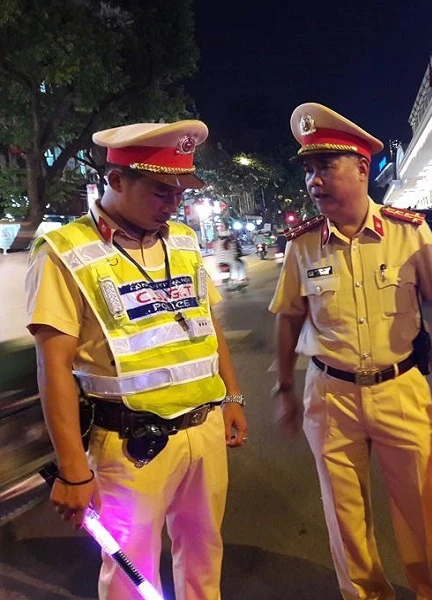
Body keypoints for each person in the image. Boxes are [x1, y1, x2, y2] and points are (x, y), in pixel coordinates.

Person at [25, 120, 248, 599]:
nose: (173, 204)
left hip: (204, 430)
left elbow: (208, 327)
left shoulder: (183, 239)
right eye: (162, 191)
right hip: (128, 445)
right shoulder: (64, 252)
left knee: (205, 555)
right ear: (116, 179)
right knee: (131, 575)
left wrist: (232, 397)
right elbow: (53, 366)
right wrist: (72, 469)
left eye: (180, 193)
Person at [270, 102, 432, 600]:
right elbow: (289, 316)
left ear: (362, 168)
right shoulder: (302, 246)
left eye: (325, 166)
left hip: (399, 387)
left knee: (423, 509)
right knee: (344, 516)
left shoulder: (408, 232)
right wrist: (284, 387)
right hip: (330, 396)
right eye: (308, 170)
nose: (314, 180)